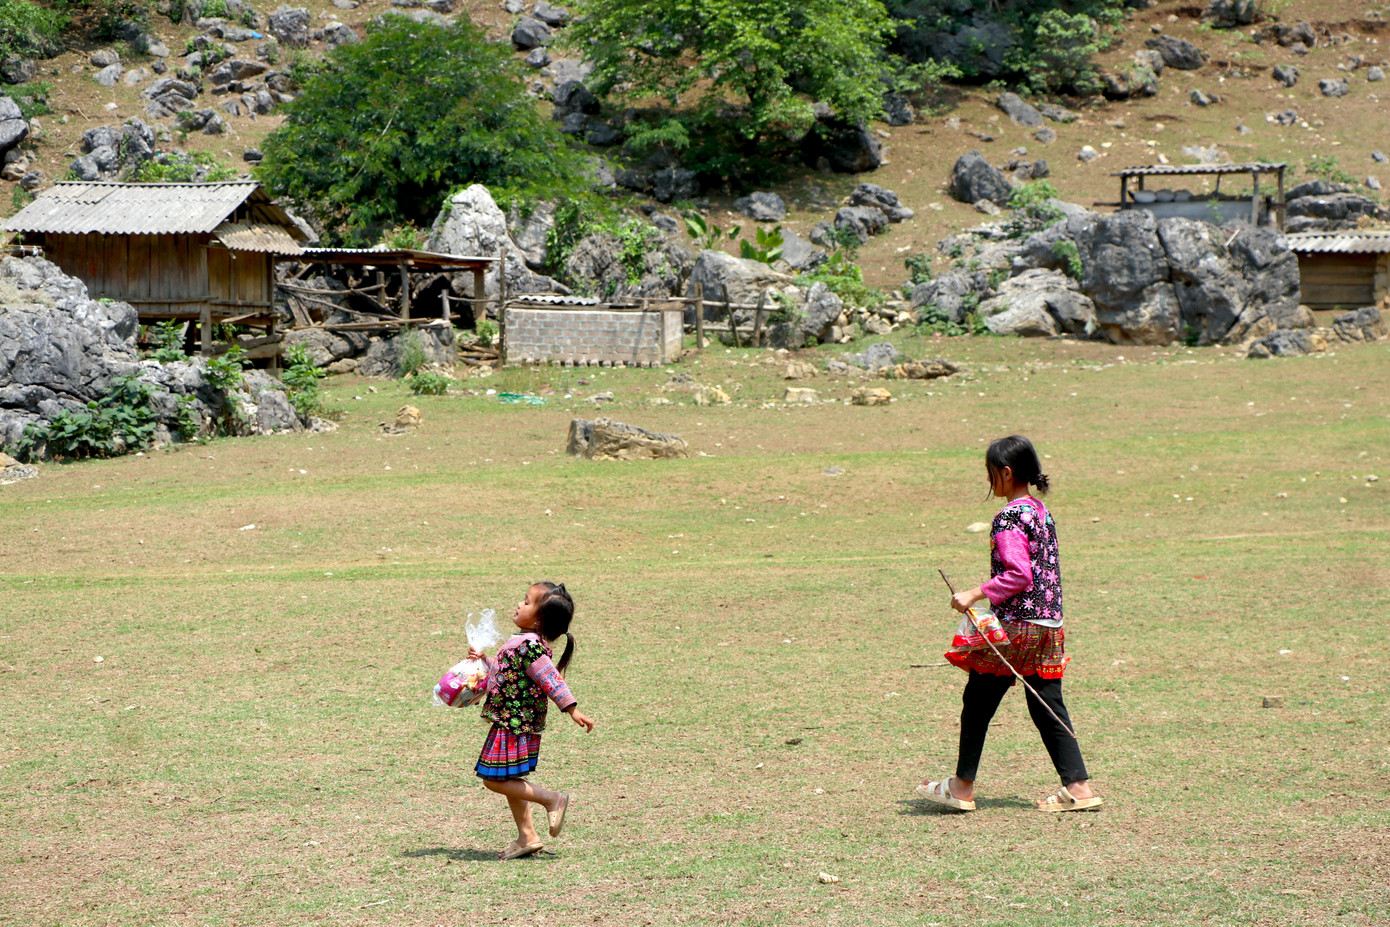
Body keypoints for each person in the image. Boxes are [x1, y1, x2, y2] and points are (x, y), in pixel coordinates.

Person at [917, 435, 1102, 813]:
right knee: (1048, 704)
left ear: (1005, 472)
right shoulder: (1041, 512)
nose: (989, 482)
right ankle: (1079, 787)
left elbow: (1019, 575)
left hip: (1017, 628)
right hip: (1049, 625)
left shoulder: (1009, 517)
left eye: (991, 473)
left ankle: (961, 787)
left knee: (978, 702)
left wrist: (972, 594)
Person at [471, 581, 596, 858]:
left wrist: (571, 708)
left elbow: (551, 679)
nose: (519, 603)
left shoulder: (530, 646)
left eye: (527, 602)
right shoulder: (524, 643)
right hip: (511, 722)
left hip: (514, 724)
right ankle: (527, 836)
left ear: (538, 619)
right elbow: (508, 672)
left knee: (493, 778)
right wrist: (485, 661)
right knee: (511, 776)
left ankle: (552, 799)